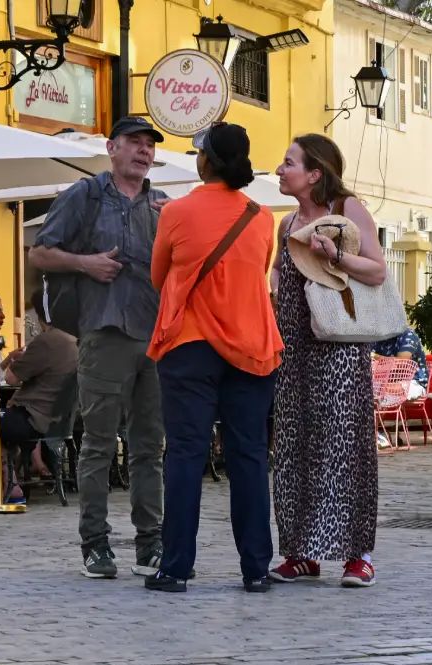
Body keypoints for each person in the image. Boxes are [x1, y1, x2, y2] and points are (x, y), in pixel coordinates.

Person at [144, 122, 284, 594]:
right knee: (249, 457)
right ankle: (256, 569)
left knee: (186, 454)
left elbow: (159, 276)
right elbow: (253, 274)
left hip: (190, 345)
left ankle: (176, 568)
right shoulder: (262, 217)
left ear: (205, 161)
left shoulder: (176, 213)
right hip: (250, 346)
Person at [29, 116, 168, 580]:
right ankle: (95, 545)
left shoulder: (163, 207)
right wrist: (84, 263)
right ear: (111, 148)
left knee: (150, 446)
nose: (143, 151)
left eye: (149, 145)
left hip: (154, 338)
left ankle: (150, 543)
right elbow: (39, 253)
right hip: (104, 334)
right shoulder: (85, 196)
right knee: (98, 447)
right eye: (134, 142)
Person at [270, 133, 389, 588]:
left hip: (339, 346)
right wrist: (277, 280)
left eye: (288, 162)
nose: (280, 170)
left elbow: (377, 269)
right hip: (295, 347)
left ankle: (358, 555)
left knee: (344, 446)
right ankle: (302, 553)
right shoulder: (287, 222)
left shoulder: (346, 210)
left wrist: (336, 256)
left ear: (315, 173)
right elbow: (281, 267)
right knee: (296, 447)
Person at [0, 300, 77, 509]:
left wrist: (16, 361)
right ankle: (13, 487)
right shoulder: (75, 341)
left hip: (32, 418)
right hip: (58, 419)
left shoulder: (47, 341)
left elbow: (11, 379)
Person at [373, 328, 429, 447]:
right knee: (370, 391)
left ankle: (375, 433)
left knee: (379, 392)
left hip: (414, 382)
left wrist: (374, 356)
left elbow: (401, 362)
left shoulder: (408, 335)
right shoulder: (378, 337)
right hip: (387, 382)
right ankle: (375, 432)